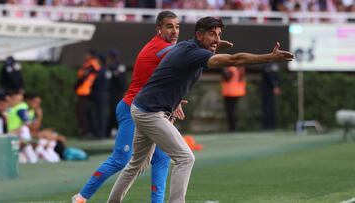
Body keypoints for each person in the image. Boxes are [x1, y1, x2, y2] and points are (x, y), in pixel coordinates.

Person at [107, 16, 293, 203]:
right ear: (199, 35)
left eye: (219, 35)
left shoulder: (186, 47)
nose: (217, 39)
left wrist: (215, 44)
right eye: (212, 34)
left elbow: (176, 67)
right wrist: (269, 57)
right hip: (150, 112)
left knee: (137, 164)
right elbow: (235, 60)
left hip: (142, 108)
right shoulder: (194, 53)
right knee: (185, 158)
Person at [72, 11, 181, 203]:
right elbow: (185, 54)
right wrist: (206, 45)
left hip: (150, 112)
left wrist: (175, 102)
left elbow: (163, 82)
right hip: (132, 110)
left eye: (177, 26)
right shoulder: (161, 48)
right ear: (159, 29)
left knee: (162, 158)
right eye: (169, 26)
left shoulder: (167, 49)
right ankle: (81, 197)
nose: (174, 31)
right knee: (121, 159)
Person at [75, 50, 101, 139]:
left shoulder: (93, 65)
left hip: (87, 93)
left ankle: (87, 132)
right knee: (83, 112)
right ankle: (86, 132)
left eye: (87, 54)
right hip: (83, 92)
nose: (85, 56)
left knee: (82, 112)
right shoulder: (87, 65)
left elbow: (87, 77)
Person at [221, 66, 246, 132]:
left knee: (230, 111)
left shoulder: (230, 69)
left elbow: (227, 78)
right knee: (233, 111)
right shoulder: (240, 68)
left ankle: (232, 128)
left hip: (230, 92)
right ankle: (233, 127)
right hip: (238, 92)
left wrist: (224, 70)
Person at [262, 62, 281, 130]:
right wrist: (275, 86)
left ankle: (272, 125)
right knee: (267, 109)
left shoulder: (274, 64)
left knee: (271, 108)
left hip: (271, 91)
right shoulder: (267, 65)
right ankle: (267, 126)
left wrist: (277, 86)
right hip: (267, 91)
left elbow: (276, 76)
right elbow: (268, 75)